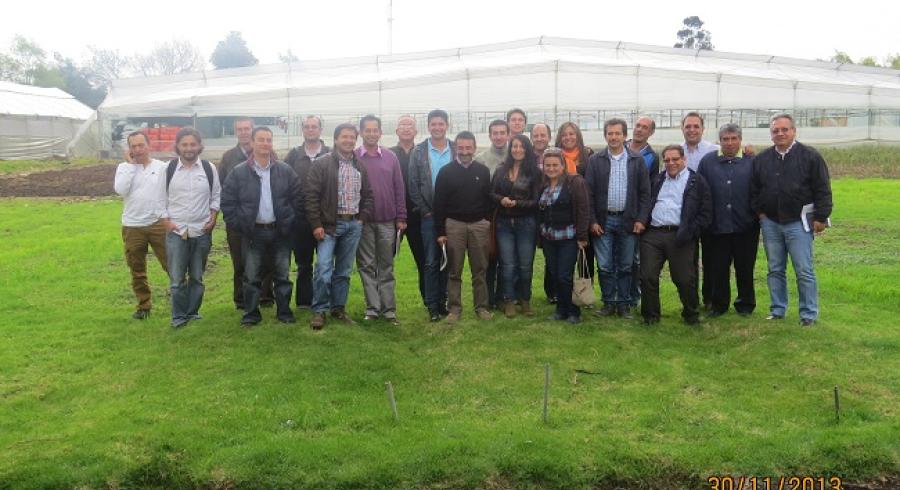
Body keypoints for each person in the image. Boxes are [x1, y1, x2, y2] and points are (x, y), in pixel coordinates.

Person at [751, 114, 832, 327]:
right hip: (771, 223)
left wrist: (821, 217)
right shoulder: (762, 159)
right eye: (775, 130)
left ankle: (808, 314)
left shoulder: (810, 156)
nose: (780, 134)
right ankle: (778, 310)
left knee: (804, 270)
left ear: (794, 131)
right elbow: (754, 189)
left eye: (784, 129)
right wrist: (760, 213)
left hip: (798, 222)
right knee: (775, 269)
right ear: (771, 134)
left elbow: (822, 188)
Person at [221, 126, 303, 327]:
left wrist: (289, 221)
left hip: (280, 232)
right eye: (261, 139)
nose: (265, 143)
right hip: (253, 233)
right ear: (252, 142)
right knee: (251, 276)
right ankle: (251, 314)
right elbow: (228, 202)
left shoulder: (285, 170)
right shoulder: (239, 172)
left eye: (268, 140)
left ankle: (284, 312)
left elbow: (298, 198)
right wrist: (241, 225)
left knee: (282, 275)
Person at [305, 123, 374, 330]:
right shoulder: (322, 164)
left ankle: (338, 309)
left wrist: (361, 219)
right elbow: (311, 196)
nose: (348, 140)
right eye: (344, 136)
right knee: (323, 269)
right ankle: (319, 310)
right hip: (328, 226)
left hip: (353, 225)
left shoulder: (360, 166)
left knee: (343, 271)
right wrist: (316, 224)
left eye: (352, 137)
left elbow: (368, 195)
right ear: (336, 139)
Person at [584, 118, 650, 319]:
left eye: (617, 133)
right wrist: (592, 221)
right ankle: (608, 303)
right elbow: (589, 194)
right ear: (605, 136)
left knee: (626, 265)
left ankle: (623, 303)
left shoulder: (636, 160)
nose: (613, 137)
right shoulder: (595, 160)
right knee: (604, 265)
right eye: (610, 133)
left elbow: (645, 193)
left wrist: (641, 219)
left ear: (624, 135)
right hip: (603, 221)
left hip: (628, 221)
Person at [640, 145, 712, 326]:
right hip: (653, 234)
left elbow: (706, 213)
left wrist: (690, 232)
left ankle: (691, 314)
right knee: (647, 275)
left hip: (681, 235)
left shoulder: (697, 181)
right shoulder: (657, 179)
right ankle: (650, 317)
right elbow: (647, 202)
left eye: (675, 159)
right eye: (667, 160)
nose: (671, 163)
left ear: (684, 159)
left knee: (684, 279)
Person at [697, 123, 758, 317]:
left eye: (733, 139)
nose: (729, 143)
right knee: (718, 268)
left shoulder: (751, 161)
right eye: (725, 139)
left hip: (746, 226)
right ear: (719, 141)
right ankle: (719, 305)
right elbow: (701, 192)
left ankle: (745, 304)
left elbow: (759, 190)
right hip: (716, 227)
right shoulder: (708, 162)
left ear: (740, 140)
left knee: (745, 268)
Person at [163, 128, 221, 329]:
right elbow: (159, 199)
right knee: (177, 279)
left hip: (201, 232)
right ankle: (178, 316)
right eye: (184, 144)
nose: (189, 148)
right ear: (178, 146)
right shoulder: (168, 169)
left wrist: (213, 217)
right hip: (176, 232)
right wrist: (167, 223)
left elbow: (216, 196)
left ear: (199, 146)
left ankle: (193, 312)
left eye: (193, 144)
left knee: (197, 276)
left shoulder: (208, 168)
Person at [434, 131, 494, 324]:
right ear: (455, 148)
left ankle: (481, 307)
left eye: (468, 147)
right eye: (461, 147)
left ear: (474, 148)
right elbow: (439, 204)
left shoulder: (483, 171)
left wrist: (486, 222)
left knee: (480, 269)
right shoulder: (445, 172)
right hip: (454, 225)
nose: (465, 151)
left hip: (479, 225)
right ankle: (454, 309)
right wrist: (440, 232)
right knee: (454, 270)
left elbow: (488, 200)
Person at [355, 115, 406, 325]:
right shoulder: (353, 157)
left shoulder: (390, 157)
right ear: (361, 132)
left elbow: (399, 188)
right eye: (367, 130)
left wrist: (401, 216)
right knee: (366, 265)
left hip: (387, 221)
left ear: (380, 132)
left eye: (375, 130)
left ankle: (389, 310)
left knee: (386, 266)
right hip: (363, 222)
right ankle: (372, 308)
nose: (371, 133)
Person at [217, 117, 273, 310]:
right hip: (238, 222)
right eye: (239, 129)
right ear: (236, 132)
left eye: (246, 128)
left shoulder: (268, 152)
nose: (243, 132)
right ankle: (241, 299)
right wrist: (233, 219)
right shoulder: (228, 157)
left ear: (252, 130)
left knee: (266, 260)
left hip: (262, 220)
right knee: (240, 262)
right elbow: (222, 189)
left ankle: (266, 297)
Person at [114, 131, 168, 320]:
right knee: (137, 269)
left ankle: (183, 302)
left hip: (158, 224)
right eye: (133, 146)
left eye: (141, 145)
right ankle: (144, 306)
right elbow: (121, 190)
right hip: (132, 226)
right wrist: (130, 165)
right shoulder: (123, 168)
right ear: (129, 149)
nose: (138, 150)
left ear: (148, 145)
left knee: (171, 264)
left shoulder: (162, 167)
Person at [408, 109, 455, 322]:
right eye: (433, 124)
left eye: (441, 124)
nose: (437, 127)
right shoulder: (418, 152)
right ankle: (432, 305)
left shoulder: (455, 149)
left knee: (447, 261)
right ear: (428, 127)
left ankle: (444, 302)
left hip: (452, 216)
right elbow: (413, 185)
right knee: (430, 261)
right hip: (429, 216)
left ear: (447, 126)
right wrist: (426, 211)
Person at [538, 147, 590, 324]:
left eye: (555, 165)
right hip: (549, 238)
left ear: (563, 166)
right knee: (554, 274)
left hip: (568, 237)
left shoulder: (574, 182)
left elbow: (583, 210)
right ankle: (560, 310)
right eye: (548, 165)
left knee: (565, 275)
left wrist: (582, 237)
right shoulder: (543, 185)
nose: (551, 168)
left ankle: (573, 311)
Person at [491, 134, 541, 318]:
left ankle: (525, 300)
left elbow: (537, 201)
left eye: (521, 146)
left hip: (526, 223)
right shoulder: (501, 170)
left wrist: (517, 203)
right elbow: (491, 193)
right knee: (507, 264)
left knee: (525, 265)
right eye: (514, 146)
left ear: (527, 149)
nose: (517, 150)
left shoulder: (534, 173)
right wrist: (501, 199)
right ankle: (509, 300)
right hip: (504, 224)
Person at [285, 115, 331, 309]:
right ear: (302, 130)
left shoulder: (331, 154)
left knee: (325, 264)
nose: (310, 130)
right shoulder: (294, 155)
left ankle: (325, 300)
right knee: (304, 264)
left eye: (314, 126)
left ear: (320, 129)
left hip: (326, 219)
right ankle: (304, 301)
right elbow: (284, 183)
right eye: (307, 127)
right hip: (301, 220)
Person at [391, 115, 427, 307]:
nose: (406, 128)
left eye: (410, 125)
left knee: (425, 261)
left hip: (418, 216)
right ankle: (381, 304)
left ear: (416, 131)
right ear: (397, 131)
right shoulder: (388, 154)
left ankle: (430, 302)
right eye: (402, 125)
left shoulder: (422, 153)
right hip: (393, 217)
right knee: (384, 262)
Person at [625, 115, 659, 309]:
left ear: (651, 132)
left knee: (634, 259)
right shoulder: (619, 146)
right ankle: (615, 295)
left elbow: (650, 191)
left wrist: (643, 217)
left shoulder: (652, 157)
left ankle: (633, 296)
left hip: (635, 215)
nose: (639, 129)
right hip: (614, 211)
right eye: (638, 125)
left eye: (644, 127)